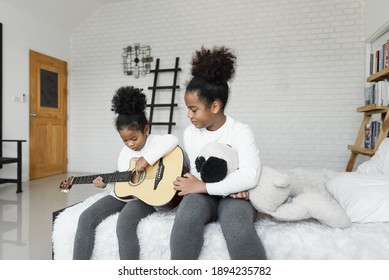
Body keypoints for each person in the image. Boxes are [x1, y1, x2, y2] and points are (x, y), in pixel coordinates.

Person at [170, 46, 267, 260]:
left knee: (235, 223)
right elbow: (197, 171)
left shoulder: (240, 131)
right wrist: (195, 185)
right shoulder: (191, 133)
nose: (189, 115)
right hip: (210, 193)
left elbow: (250, 175)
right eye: (188, 108)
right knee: (185, 219)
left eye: (194, 109)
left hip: (235, 196)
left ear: (215, 106)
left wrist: (205, 186)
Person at [73, 86, 179, 260]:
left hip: (146, 198)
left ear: (146, 129)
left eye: (134, 138)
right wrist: (106, 185)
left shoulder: (155, 142)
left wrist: (147, 159)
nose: (130, 144)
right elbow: (125, 185)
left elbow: (173, 140)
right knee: (86, 217)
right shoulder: (124, 154)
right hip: (128, 195)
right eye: (125, 140)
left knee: (124, 222)